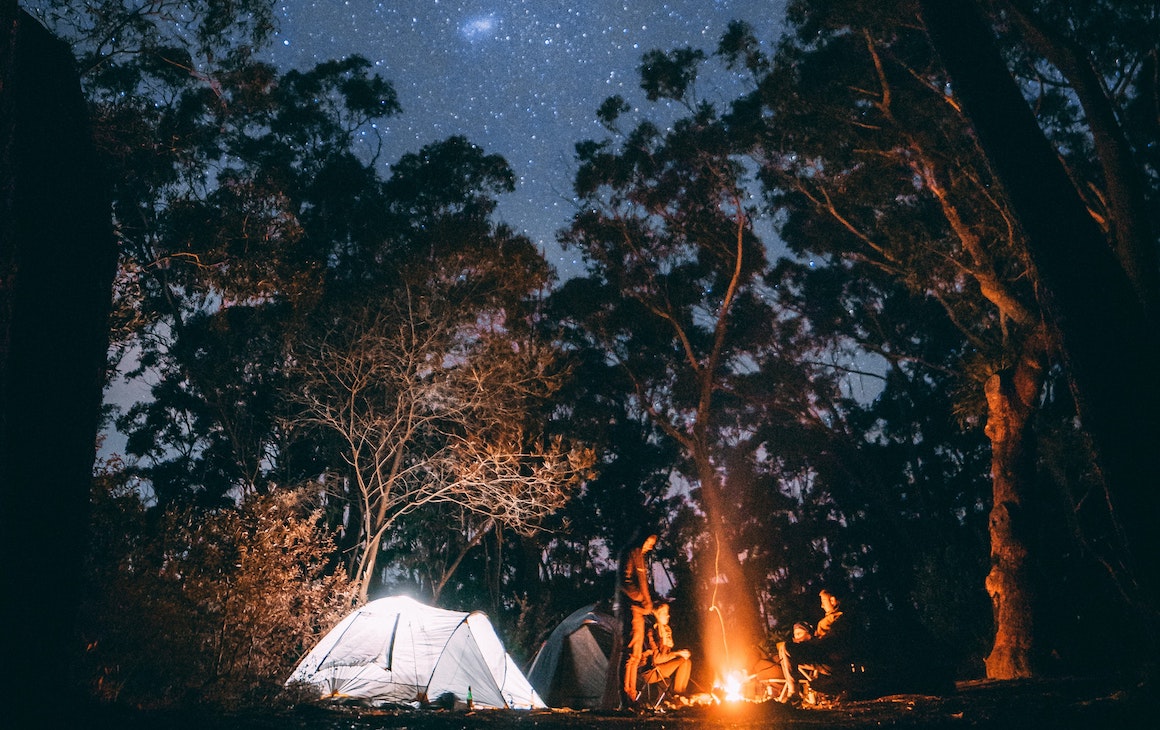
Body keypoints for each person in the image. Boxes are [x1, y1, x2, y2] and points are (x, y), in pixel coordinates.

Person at [776, 588, 853, 701]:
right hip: (822, 658)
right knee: (783, 650)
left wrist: (811, 641)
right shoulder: (829, 619)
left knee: (787, 648)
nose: (822, 606)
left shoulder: (840, 618)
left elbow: (831, 640)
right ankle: (793, 691)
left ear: (832, 600)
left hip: (830, 661)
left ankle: (794, 692)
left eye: (823, 601)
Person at [615, 530, 657, 707]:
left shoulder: (639, 557)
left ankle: (631, 696)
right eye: (649, 541)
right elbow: (625, 581)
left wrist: (648, 603)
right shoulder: (630, 553)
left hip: (639, 611)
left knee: (637, 654)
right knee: (631, 654)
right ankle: (626, 697)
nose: (651, 546)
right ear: (642, 539)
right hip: (632, 610)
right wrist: (641, 598)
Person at [640, 602, 693, 696]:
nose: (668, 615)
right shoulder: (651, 632)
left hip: (661, 668)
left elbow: (666, 656)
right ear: (657, 615)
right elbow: (656, 659)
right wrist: (677, 653)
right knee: (683, 661)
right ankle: (676, 695)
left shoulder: (665, 631)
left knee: (687, 661)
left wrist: (679, 653)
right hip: (650, 671)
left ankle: (680, 694)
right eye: (664, 613)